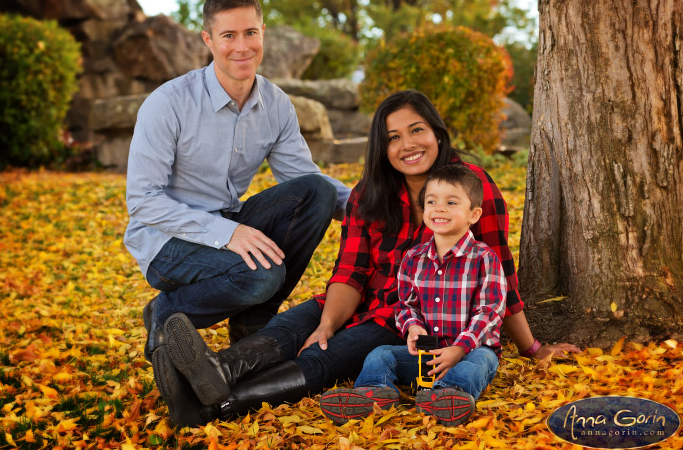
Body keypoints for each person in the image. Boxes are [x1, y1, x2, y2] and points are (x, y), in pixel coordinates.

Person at [152, 90, 580, 427]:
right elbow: (351, 271)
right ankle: (213, 372)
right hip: (357, 301)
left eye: (417, 131)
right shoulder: (369, 194)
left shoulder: (470, 187)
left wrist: (532, 347)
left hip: (408, 322)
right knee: (295, 326)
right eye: (393, 137)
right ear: (382, 146)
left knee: (323, 358)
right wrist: (326, 323)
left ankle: (215, 407)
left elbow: (500, 272)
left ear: (436, 132)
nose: (407, 145)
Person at [124, 0, 351, 365]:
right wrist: (227, 234)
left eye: (250, 33)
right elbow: (144, 201)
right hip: (166, 239)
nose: (242, 47)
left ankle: (252, 321)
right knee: (263, 275)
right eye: (229, 35)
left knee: (317, 193)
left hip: (228, 221)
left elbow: (304, 177)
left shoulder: (276, 104)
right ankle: (165, 314)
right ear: (209, 40)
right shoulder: (168, 103)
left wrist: (375, 205)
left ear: (263, 33)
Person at [320, 165, 506, 426]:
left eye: (451, 202)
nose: (439, 208)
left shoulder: (484, 258)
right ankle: (373, 393)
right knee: (381, 353)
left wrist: (459, 348)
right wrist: (413, 326)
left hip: (467, 351)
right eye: (432, 202)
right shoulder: (413, 258)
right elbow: (406, 304)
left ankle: (448, 396)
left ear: (473, 214)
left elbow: (490, 312)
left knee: (483, 361)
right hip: (425, 356)